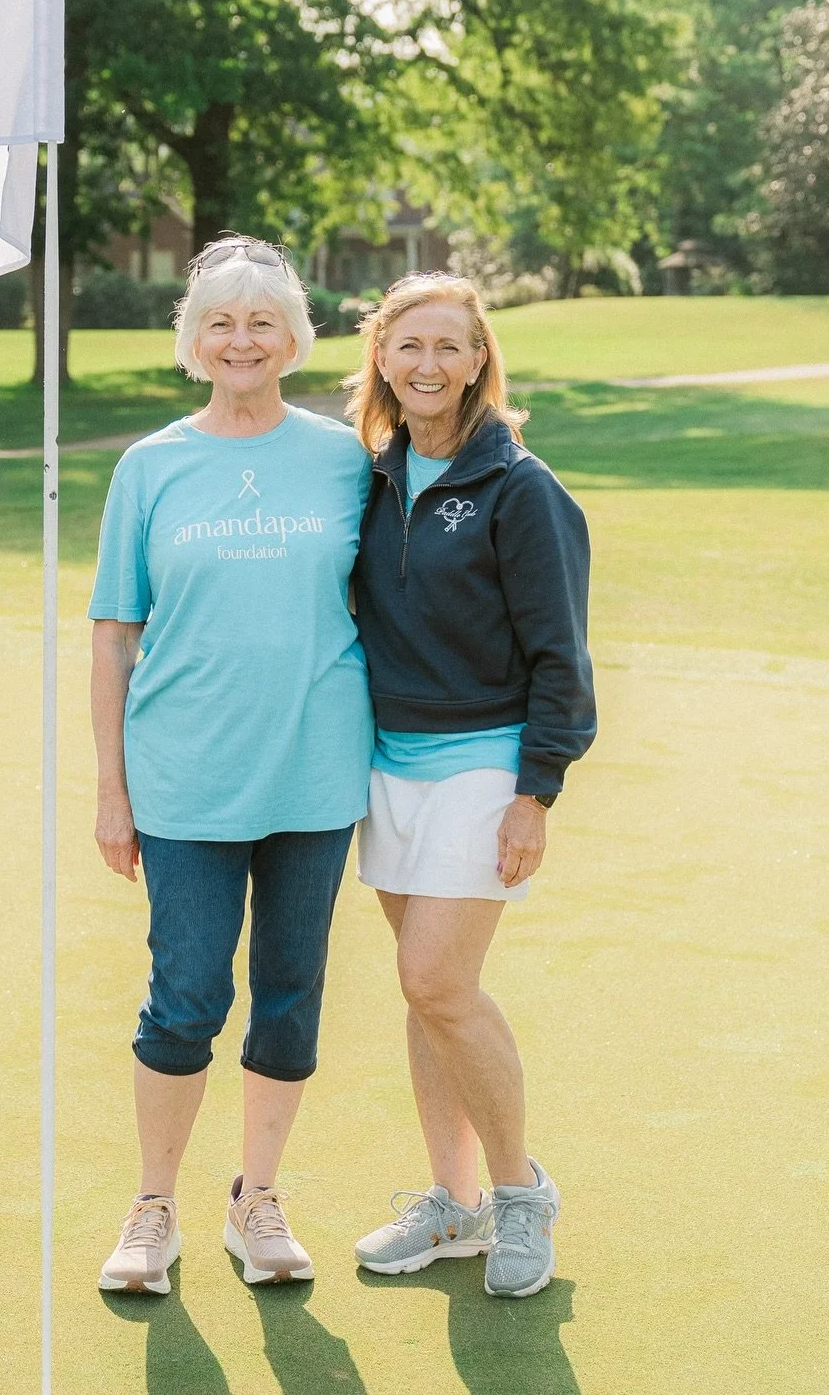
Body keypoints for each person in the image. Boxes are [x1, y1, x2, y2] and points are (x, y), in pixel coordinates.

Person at [89, 237, 374, 1296]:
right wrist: (111, 793)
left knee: (290, 996)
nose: (242, 340)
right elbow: (114, 634)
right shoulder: (152, 466)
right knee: (185, 997)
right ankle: (153, 1206)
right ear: (193, 341)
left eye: (262, 322)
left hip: (315, 773)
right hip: (186, 780)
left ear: (294, 337)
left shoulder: (348, 456)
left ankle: (256, 1199)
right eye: (221, 322)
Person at [346, 273, 596, 1299]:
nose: (428, 365)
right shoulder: (367, 480)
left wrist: (536, 789)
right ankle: (451, 1206)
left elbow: (561, 658)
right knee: (425, 989)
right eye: (409, 347)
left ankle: (520, 1193)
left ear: (480, 361)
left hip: (486, 764)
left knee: (437, 981)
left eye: (450, 346)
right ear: (382, 361)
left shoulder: (522, 489)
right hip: (386, 765)